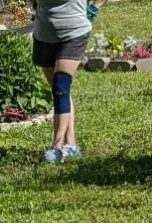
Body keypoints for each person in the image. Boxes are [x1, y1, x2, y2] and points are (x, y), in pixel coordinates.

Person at [32, 0, 103, 163]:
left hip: (74, 33)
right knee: (60, 91)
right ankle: (71, 145)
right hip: (44, 34)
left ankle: (56, 147)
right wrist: (34, 6)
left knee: (60, 86)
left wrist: (94, 8)